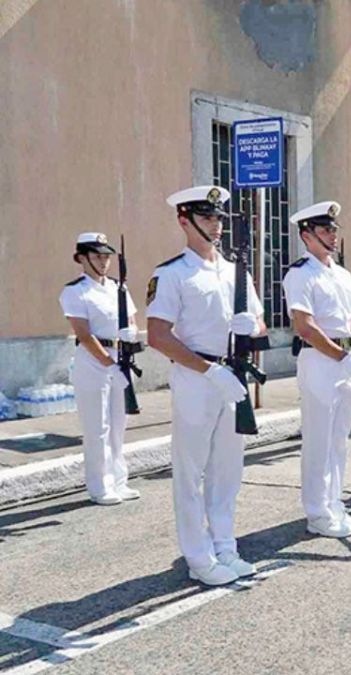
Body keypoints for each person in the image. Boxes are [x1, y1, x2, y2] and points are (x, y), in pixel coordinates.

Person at [146, 185, 265, 586]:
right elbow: (158, 335)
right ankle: (198, 556)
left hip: (233, 375)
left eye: (218, 217)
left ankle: (225, 546)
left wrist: (253, 328)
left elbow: (261, 322)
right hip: (198, 378)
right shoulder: (172, 273)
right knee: (191, 471)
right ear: (184, 221)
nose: (215, 225)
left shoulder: (236, 271)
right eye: (207, 217)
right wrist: (208, 371)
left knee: (227, 471)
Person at [283, 201, 351, 538]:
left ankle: (334, 502)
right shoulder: (300, 273)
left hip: (343, 359)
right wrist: (342, 357)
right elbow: (304, 326)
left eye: (334, 229)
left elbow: (345, 318)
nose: (332, 236)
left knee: (339, 439)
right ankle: (317, 513)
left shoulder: (343, 273)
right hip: (320, 360)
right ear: (307, 235)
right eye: (324, 230)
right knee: (318, 440)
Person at [59, 233, 140, 506]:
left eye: (106, 256)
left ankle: (119, 480)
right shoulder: (75, 291)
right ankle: (100, 486)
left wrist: (131, 334)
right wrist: (109, 364)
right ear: (82, 258)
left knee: (119, 424)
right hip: (93, 362)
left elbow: (130, 319)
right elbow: (84, 334)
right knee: (98, 427)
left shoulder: (119, 288)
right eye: (97, 256)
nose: (104, 261)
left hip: (121, 358)